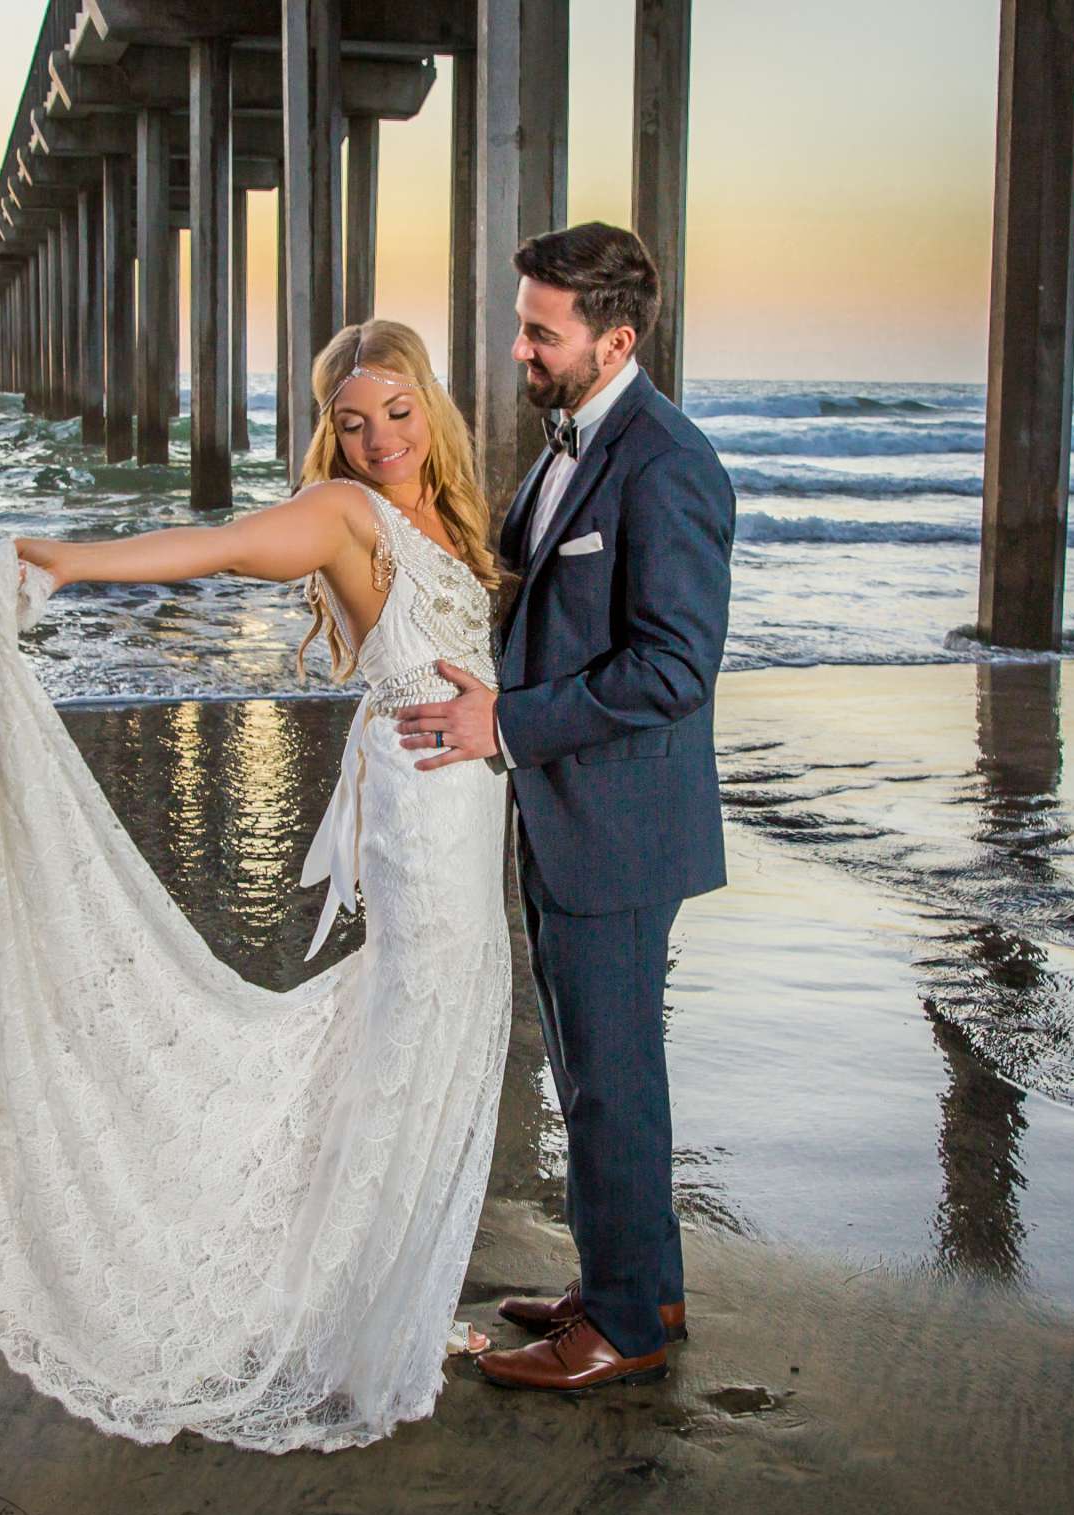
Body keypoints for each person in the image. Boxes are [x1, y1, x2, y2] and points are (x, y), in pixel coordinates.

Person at [0, 319, 518, 1454]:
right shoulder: (349, 513)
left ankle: (386, 1300)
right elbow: (225, 547)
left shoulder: (453, 512)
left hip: (466, 797)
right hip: (418, 808)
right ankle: (357, 1322)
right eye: (351, 423)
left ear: (429, 405)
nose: (378, 437)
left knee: (438, 1029)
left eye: (396, 411)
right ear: (331, 436)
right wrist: (69, 557)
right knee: (416, 1032)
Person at [390, 221, 737, 1392]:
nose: (519, 350)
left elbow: (675, 670)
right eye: (521, 325)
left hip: (621, 825)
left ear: (616, 338)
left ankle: (627, 1325)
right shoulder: (569, 446)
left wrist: (507, 723)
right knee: (602, 1070)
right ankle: (635, 1282)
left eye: (542, 332)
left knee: (612, 1074)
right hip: (572, 813)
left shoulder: (667, 461)